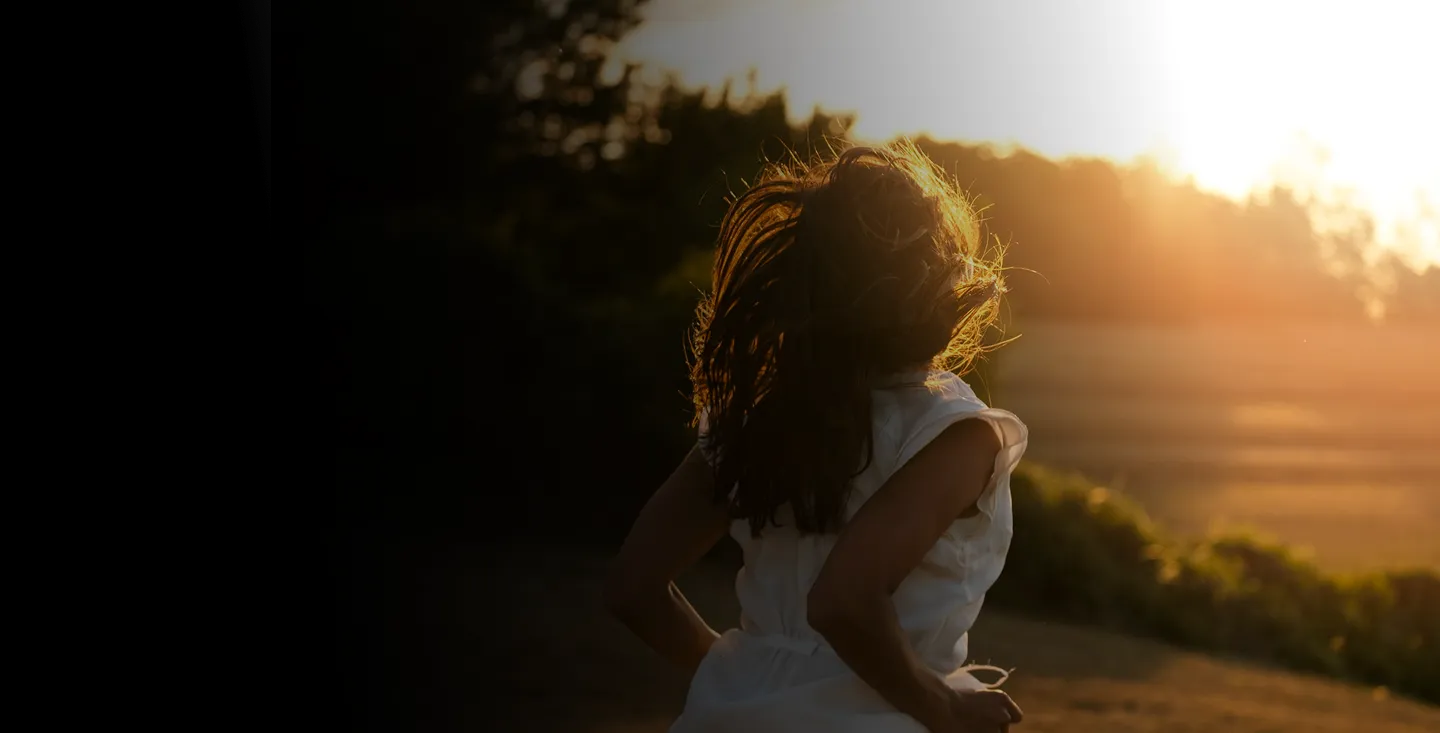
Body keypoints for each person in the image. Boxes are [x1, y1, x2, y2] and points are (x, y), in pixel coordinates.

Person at [604, 141, 1029, 733]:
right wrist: (945, 707)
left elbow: (633, 587)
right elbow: (843, 603)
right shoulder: (956, 435)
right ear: (933, 284)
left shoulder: (757, 422)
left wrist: (740, 680)